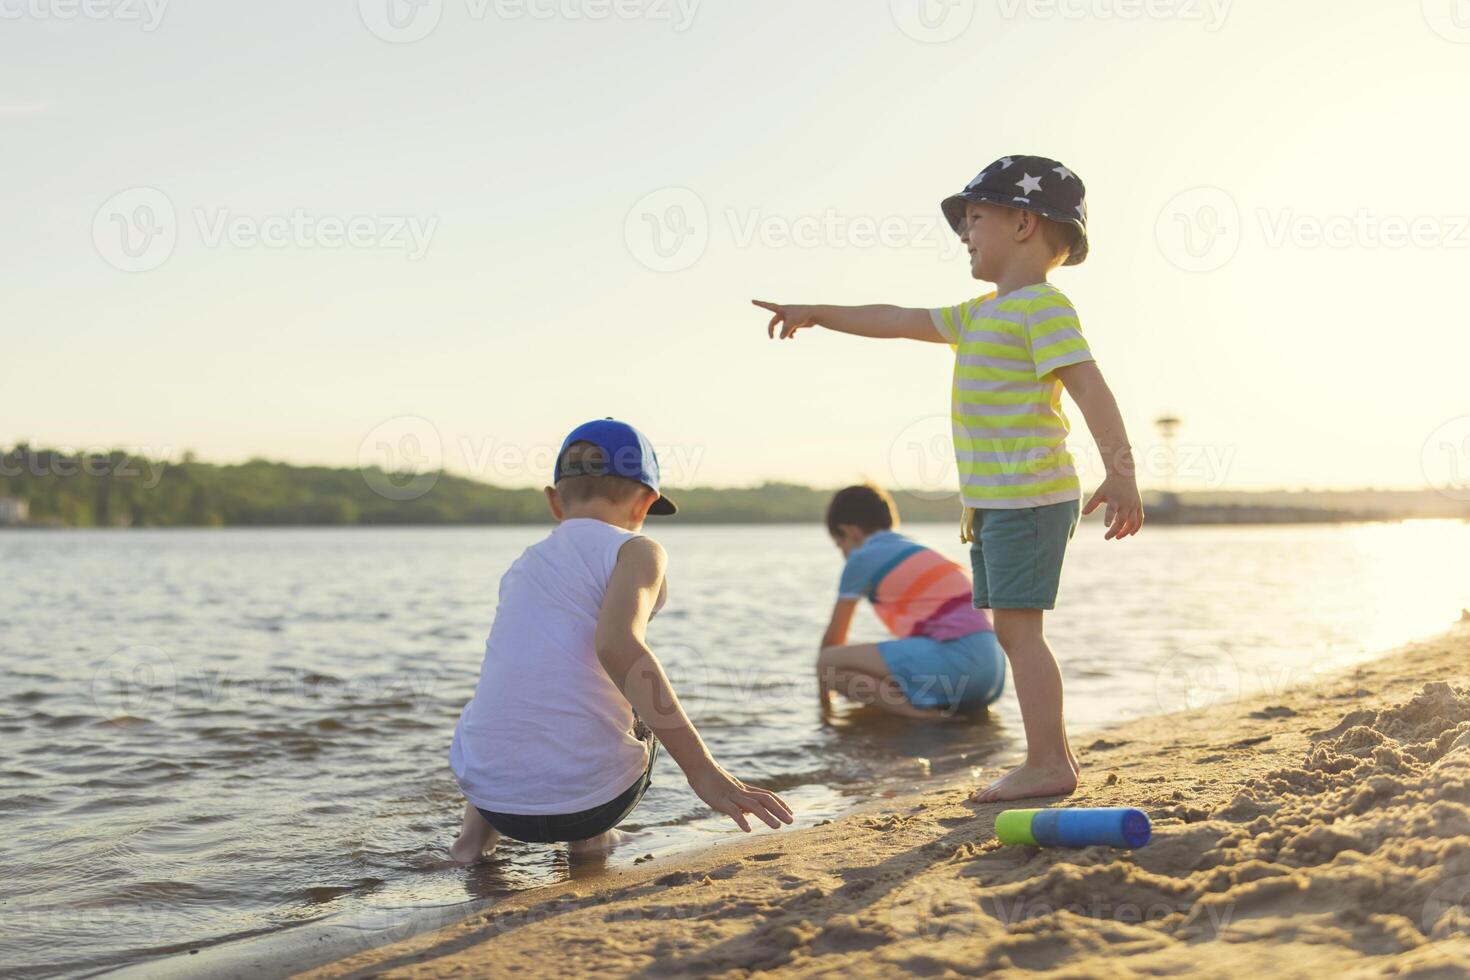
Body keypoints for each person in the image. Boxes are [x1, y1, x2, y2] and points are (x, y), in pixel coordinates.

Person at [753, 155, 1144, 802]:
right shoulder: (980, 313)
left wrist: (1121, 472)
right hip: (995, 505)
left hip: (1031, 496)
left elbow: (1090, 387)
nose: (963, 233)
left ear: (1023, 223)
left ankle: (1050, 760)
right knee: (1011, 629)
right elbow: (897, 318)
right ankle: (1046, 756)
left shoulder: (1042, 308)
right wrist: (817, 310)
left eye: (974, 219)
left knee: (1021, 632)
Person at [447, 419, 793, 862]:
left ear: (554, 501)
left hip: (495, 800)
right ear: (646, 501)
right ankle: (591, 843)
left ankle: (470, 844)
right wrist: (702, 770)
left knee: (513, 696)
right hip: (589, 806)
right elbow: (617, 646)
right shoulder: (638, 549)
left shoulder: (522, 565)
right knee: (635, 689)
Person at [818, 483, 1006, 720]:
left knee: (829, 664)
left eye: (840, 544)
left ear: (850, 532)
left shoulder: (861, 558)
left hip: (960, 666)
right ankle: (949, 719)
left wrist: (824, 710)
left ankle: (924, 718)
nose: (843, 552)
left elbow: (832, 642)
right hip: (993, 675)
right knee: (873, 663)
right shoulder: (914, 549)